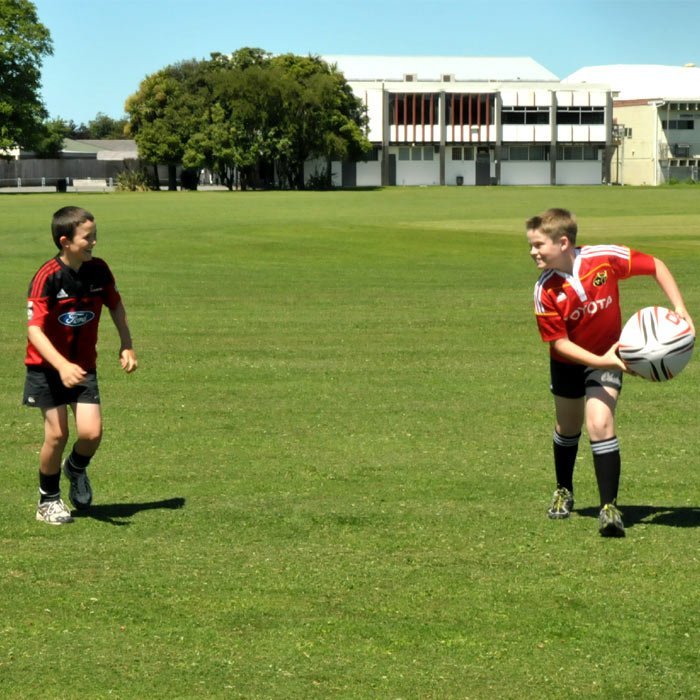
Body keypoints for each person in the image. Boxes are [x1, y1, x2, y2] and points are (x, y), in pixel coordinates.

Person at [526, 208, 694, 537]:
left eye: (538, 245)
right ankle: (564, 489)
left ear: (563, 242)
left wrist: (680, 308)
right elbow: (559, 344)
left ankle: (609, 507)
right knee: (568, 426)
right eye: (531, 245)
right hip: (570, 362)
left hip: (611, 354)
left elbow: (655, 265)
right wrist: (605, 361)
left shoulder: (604, 258)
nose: (532, 252)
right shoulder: (544, 290)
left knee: (600, 423)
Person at [24, 206, 138, 525]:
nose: (94, 243)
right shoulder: (47, 277)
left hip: (83, 367)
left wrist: (126, 343)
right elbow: (34, 330)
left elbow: (115, 304)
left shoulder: (98, 270)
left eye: (95, 236)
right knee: (57, 434)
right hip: (47, 369)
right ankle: (48, 501)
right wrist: (60, 365)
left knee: (91, 433)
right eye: (88, 238)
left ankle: (74, 469)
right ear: (65, 241)